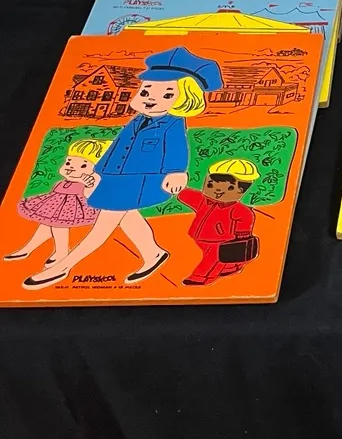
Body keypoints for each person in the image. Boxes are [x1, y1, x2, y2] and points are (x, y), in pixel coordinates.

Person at [23, 48, 224, 290]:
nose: (151, 99)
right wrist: (98, 171)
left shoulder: (172, 123)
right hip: (116, 178)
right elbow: (117, 147)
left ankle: (62, 267)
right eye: (146, 91)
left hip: (143, 181)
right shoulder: (137, 119)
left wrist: (177, 172)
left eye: (168, 94)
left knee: (103, 226)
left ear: (185, 99)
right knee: (128, 217)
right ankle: (153, 253)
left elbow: (177, 148)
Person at [5, 139, 108, 266]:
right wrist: (75, 176)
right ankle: (28, 248)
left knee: (59, 226)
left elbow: (92, 194)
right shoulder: (71, 176)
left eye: (83, 165)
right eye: (68, 162)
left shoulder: (93, 178)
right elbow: (63, 172)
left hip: (73, 206)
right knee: (46, 223)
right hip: (57, 202)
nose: (71, 167)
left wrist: (86, 184)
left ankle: (61, 252)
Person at [174, 159, 260, 286]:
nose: (216, 191)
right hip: (201, 238)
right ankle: (231, 268)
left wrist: (242, 237)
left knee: (213, 259)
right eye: (210, 185)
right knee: (217, 258)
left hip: (221, 241)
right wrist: (179, 189)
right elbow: (187, 195)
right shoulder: (204, 201)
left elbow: (245, 220)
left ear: (241, 190)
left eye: (229, 188)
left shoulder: (239, 210)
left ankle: (200, 277)